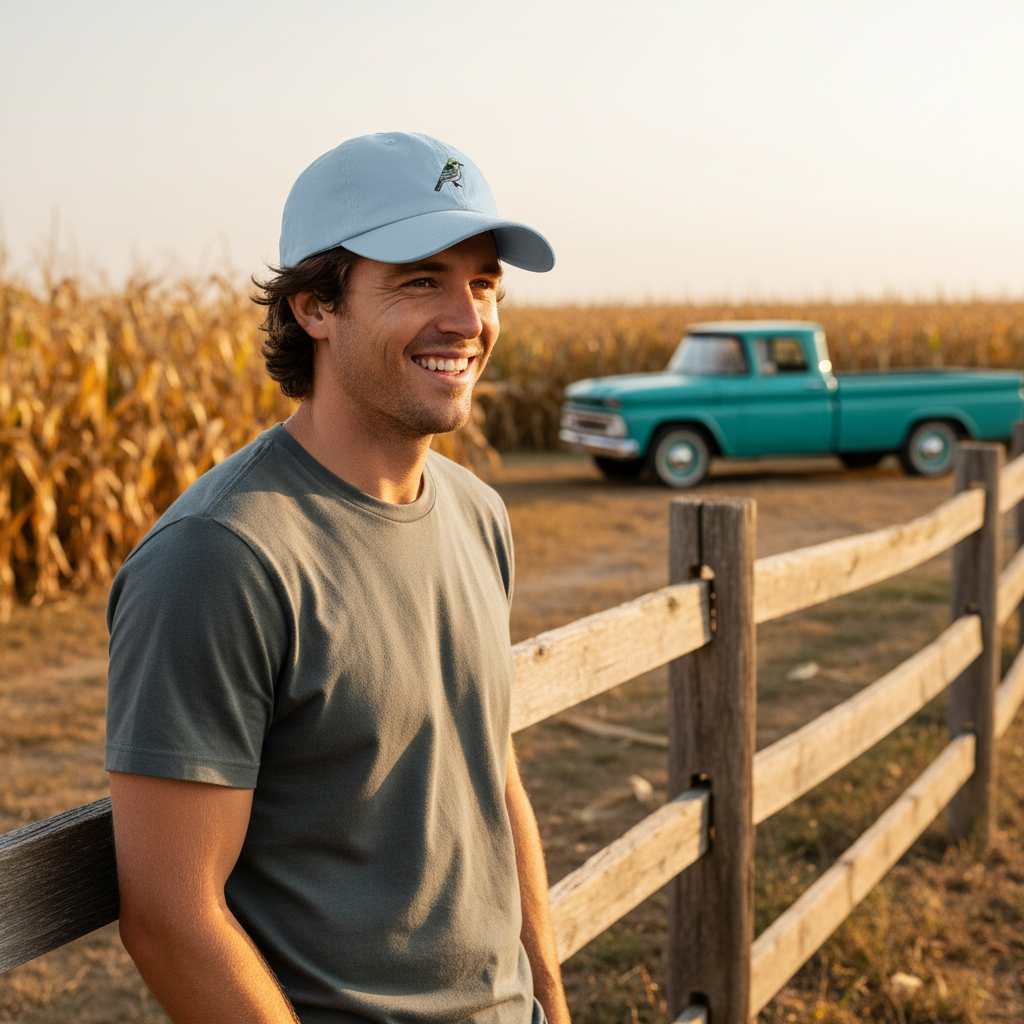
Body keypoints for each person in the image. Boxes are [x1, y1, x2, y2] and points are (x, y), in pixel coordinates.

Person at [105, 132, 569, 1024]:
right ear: (316, 306)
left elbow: (491, 771)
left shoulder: (477, 512)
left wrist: (547, 994)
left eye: (483, 284)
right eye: (421, 281)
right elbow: (170, 918)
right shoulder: (221, 556)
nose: (468, 320)